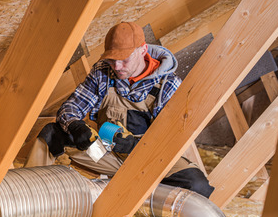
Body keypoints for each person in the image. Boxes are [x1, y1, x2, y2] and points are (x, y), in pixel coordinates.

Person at [25, 22, 214, 197]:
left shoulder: (168, 84)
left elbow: (172, 138)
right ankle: (25, 194)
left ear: (143, 50)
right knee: (52, 134)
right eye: (112, 60)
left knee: (197, 186)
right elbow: (71, 107)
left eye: (124, 60)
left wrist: (134, 146)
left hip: (150, 161)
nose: (117, 67)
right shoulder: (103, 72)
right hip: (104, 154)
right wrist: (75, 126)